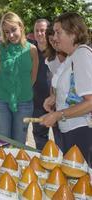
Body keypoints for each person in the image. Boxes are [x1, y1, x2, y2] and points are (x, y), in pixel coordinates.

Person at [41, 12, 92, 166]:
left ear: (73, 33)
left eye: (58, 32)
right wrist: (55, 98)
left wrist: (58, 114)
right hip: (72, 128)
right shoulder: (73, 56)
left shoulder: (82, 55)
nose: (54, 37)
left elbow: (90, 102)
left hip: (82, 130)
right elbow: (73, 90)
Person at [0, 12, 38, 144]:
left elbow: (32, 78)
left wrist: (19, 91)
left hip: (24, 102)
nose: (10, 35)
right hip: (0, 101)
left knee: (19, 142)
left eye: (13, 30)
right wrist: (9, 89)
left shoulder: (32, 50)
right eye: (6, 32)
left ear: (21, 27)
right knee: (2, 142)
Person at [44, 25, 67, 151]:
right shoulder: (51, 60)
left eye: (56, 39)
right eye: (51, 41)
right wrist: (52, 98)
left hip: (73, 108)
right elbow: (53, 83)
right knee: (60, 140)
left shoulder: (74, 56)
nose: (54, 43)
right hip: (58, 105)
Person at [31, 19, 52, 150]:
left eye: (43, 30)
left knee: (61, 138)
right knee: (40, 138)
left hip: (55, 103)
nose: (40, 33)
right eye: (37, 30)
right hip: (36, 103)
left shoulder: (57, 50)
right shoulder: (29, 51)